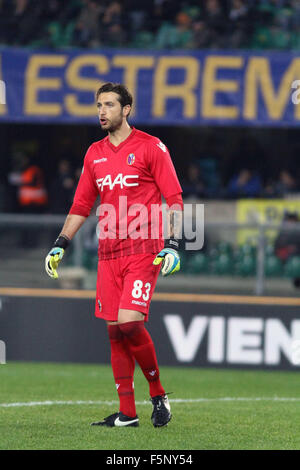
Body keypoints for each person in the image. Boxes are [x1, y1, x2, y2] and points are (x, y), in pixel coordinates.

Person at [45, 82, 183, 428]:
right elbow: (81, 205)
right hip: (108, 254)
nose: (101, 111)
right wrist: (61, 241)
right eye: (98, 105)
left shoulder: (152, 147)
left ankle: (158, 394)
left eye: (109, 104)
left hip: (143, 250)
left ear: (127, 109)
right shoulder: (94, 153)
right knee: (115, 332)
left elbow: (175, 199)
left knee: (128, 323)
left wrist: (173, 243)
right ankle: (127, 413)